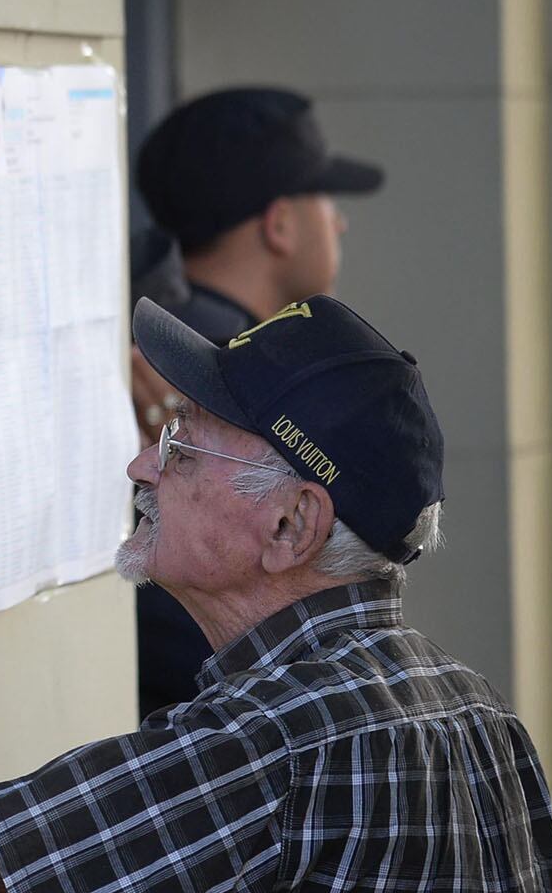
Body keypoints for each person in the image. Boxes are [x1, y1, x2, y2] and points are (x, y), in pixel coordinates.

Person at [0, 295, 552, 893]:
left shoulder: (274, 740)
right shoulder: (474, 708)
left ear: (292, 524)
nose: (141, 464)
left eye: (182, 445)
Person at [131, 87, 386, 716]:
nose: (340, 221)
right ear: (279, 224)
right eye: (326, 199)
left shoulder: (148, 351)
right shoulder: (234, 388)